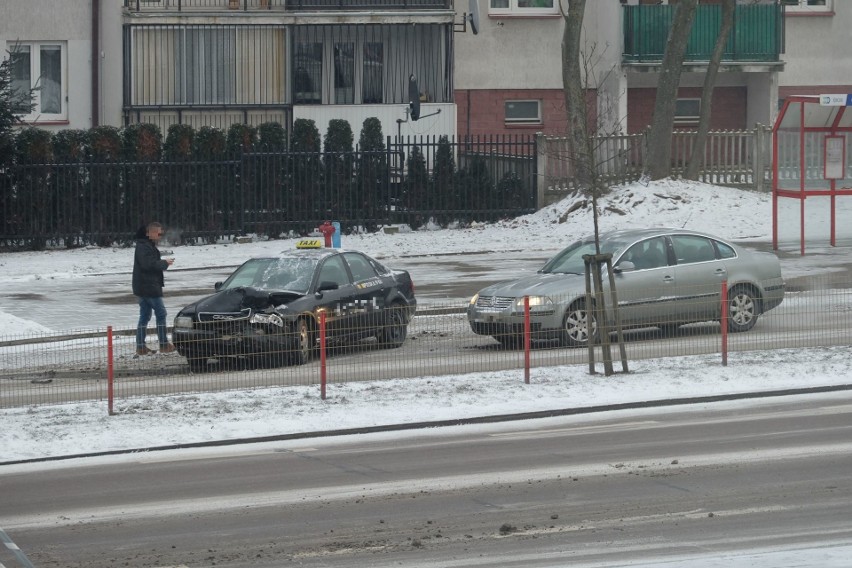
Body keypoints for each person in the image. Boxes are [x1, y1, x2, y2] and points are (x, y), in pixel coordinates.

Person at [132, 222, 175, 356]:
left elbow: (148, 264)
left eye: (160, 233)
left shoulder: (145, 245)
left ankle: (141, 347)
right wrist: (164, 263)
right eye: (157, 233)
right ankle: (163, 344)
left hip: (144, 286)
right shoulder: (144, 246)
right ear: (148, 233)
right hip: (148, 287)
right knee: (161, 314)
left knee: (145, 316)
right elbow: (148, 265)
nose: (159, 235)